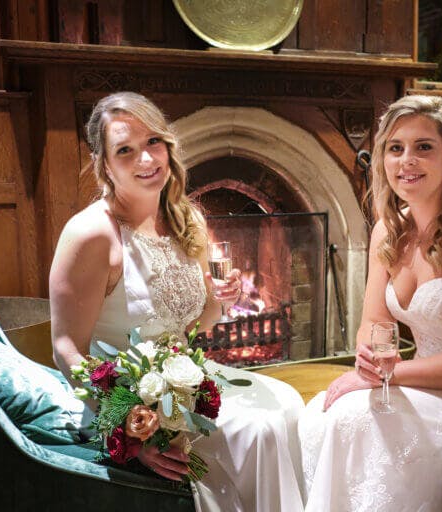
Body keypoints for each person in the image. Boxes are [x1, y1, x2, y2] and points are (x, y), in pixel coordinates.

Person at [49, 91, 306, 511]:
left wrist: (221, 300)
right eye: (125, 150)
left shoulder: (186, 218)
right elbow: (65, 348)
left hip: (185, 383)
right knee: (259, 431)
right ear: (105, 164)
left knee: (288, 405)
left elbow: (193, 329)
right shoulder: (91, 235)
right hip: (125, 397)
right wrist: (133, 430)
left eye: (153, 142)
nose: (146, 159)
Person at [298, 94, 442, 512]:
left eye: (424, 147)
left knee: (356, 420)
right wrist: (369, 364)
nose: (407, 161)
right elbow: (373, 321)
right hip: (410, 380)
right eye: (395, 148)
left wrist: (391, 373)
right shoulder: (388, 230)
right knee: (320, 414)